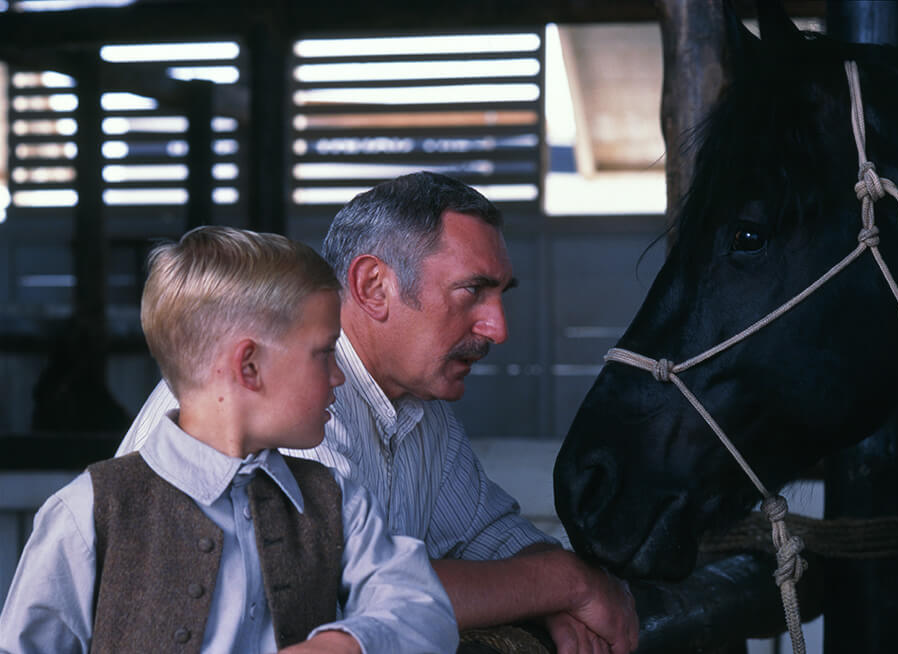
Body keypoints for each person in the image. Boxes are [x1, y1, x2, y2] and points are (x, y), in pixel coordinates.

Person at [119, 172, 640, 654]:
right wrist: (566, 584)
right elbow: (353, 599)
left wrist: (547, 594)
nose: (497, 328)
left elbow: (490, 538)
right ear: (373, 287)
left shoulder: (420, 411)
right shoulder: (278, 404)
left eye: (500, 295)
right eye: (473, 291)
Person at [0, 226, 458, 654]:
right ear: (249, 367)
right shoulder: (88, 512)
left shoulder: (338, 501)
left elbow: (425, 610)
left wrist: (344, 643)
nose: (339, 376)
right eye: (324, 354)